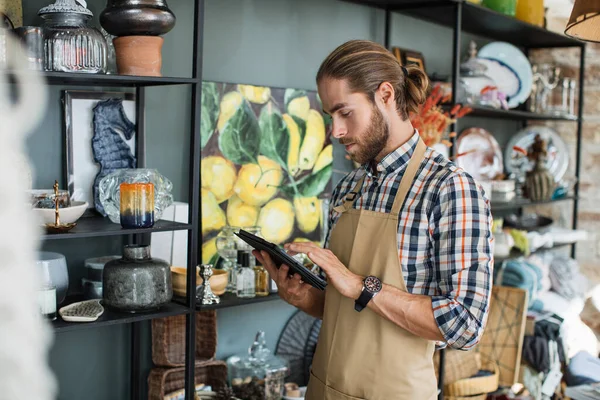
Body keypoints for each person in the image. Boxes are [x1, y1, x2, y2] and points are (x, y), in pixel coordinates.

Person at [253, 39, 493, 400]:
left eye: (345, 112)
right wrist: (305, 297)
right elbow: (347, 307)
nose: (336, 131)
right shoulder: (349, 187)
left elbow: (466, 325)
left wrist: (362, 285)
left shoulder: (450, 189)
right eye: (330, 116)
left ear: (384, 95)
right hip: (323, 389)